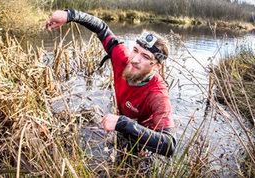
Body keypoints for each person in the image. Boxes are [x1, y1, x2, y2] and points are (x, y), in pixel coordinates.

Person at [46, 9, 176, 158]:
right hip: (125, 119)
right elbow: (101, 28)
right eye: (135, 50)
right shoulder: (123, 59)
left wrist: (123, 124)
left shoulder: (157, 93)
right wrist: (69, 15)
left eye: (145, 56)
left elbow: (169, 145)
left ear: (157, 66)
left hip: (144, 136)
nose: (134, 59)